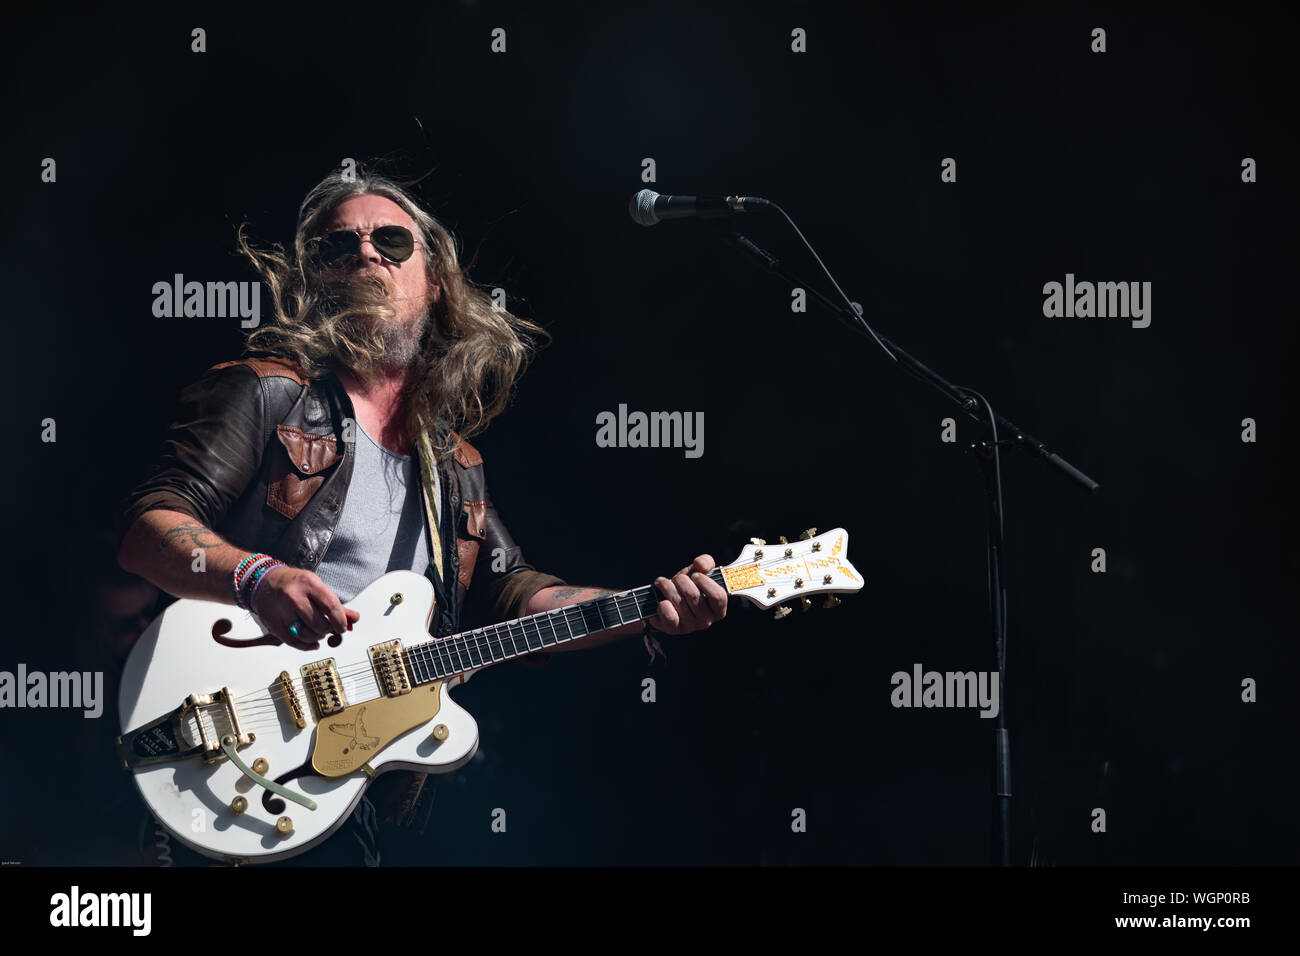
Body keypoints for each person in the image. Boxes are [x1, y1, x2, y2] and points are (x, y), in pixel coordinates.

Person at [113, 167, 728, 864]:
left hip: (341, 790)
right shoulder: (266, 394)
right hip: (234, 742)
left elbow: (517, 593)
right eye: (341, 247)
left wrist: (644, 606)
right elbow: (149, 526)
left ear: (435, 281)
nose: (367, 254)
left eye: (392, 242)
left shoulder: (456, 466)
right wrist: (258, 578)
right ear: (319, 281)